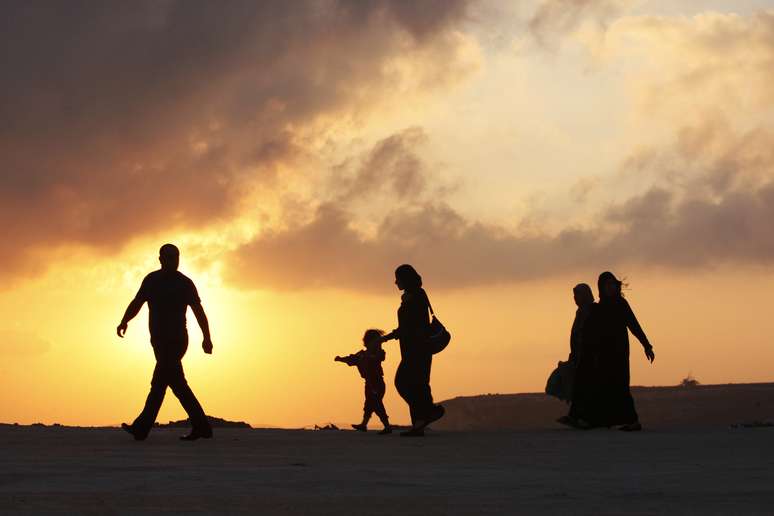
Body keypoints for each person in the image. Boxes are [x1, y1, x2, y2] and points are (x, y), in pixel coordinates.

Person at [116, 244, 213, 441]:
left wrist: (207, 337)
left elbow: (199, 312)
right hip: (158, 341)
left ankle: (141, 428)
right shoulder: (152, 280)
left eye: (175, 257)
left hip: (177, 341)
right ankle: (201, 426)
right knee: (175, 383)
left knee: (160, 382)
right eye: (168, 257)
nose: (172, 261)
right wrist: (125, 320)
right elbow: (137, 302)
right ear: (160, 259)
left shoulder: (185, 283)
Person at [572, 271, 655, 431]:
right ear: (601, 287)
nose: (610, 288)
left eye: (612, 284)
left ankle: (632, 421)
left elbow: (633, 325)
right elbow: (589, 332)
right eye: (606, 285)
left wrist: (647, 345)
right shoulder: (598, 308)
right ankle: (602, 421)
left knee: (621, 386)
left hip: (620, 352)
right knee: (604, 387)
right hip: (603, 354)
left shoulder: (621, 304)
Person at [381, 264, 444, 437]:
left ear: (405, 279)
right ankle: (420, 423)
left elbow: (410, 327)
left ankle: (427, 413)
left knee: (405, 383)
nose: (395, 282)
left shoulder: (415, 298)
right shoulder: (411, 297)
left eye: (398, 278)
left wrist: (386, 337)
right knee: (417, 385)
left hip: (418, 349)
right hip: (411, 349)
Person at [335, 329, 392, 435]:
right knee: (369, 404)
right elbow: (351, 359)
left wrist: (370, 356)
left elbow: (379, 357)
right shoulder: (361, 355)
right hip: (369, 383)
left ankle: (387, 426)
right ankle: (364, 424)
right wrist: (340, 359)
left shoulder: (378, 353)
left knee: (376, 403)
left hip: (377, 382)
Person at [554, 284, 595, 423]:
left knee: (584, 388)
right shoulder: (580, 312)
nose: (575, 298)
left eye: (578, 295)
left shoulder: (591, 311)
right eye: (574, 295)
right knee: (579, 387)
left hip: (589, 357)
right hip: (578, 356)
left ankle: (582, 417)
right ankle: (576, 415)